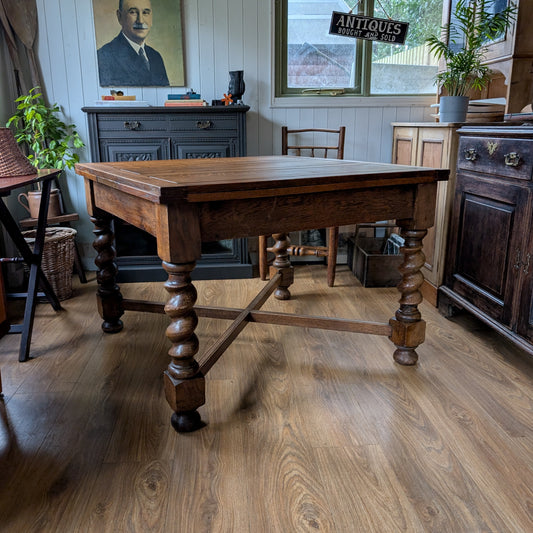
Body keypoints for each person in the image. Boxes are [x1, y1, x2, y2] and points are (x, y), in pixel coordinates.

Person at [97, 0, 169, 86]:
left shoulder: (156, 57)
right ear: (120, 17)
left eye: (145, 12)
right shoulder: (104, 57)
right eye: (133, 12)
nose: (141, 21)